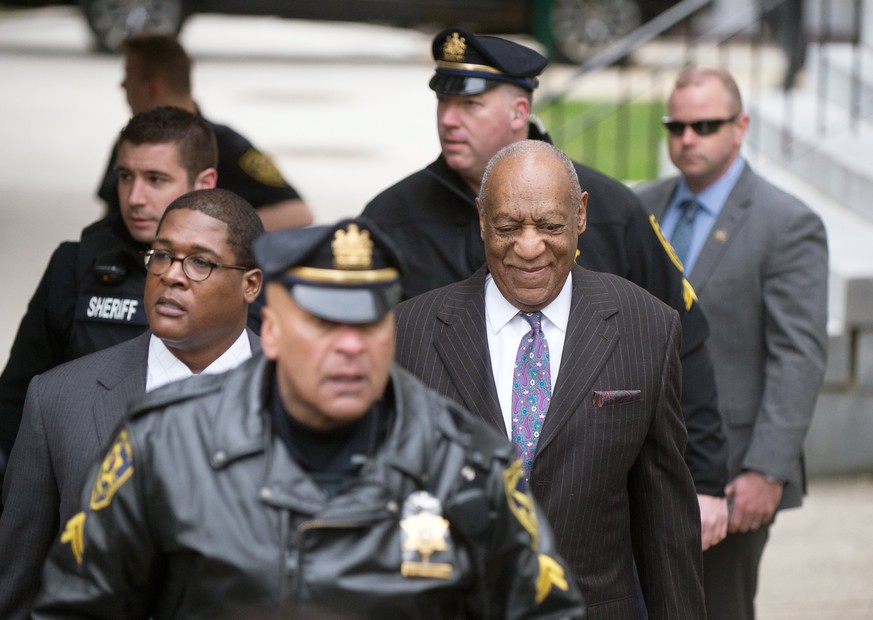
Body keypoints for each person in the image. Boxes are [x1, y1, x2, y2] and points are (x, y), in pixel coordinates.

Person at [32, 218, 585, 619]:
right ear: (271, 332)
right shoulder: (164, 444)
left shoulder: (465, 462)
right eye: (323, 325)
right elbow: (78, 605)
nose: (349, 348)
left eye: (368, 326)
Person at [363, 27, 728, 549]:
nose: (447, 118)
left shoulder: (610, 210)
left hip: (596, 527)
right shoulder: (391, 218)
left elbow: (682, 340)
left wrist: (708, 481)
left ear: (518, 111)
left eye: (469, 103)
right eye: (443, 100)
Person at [394, 140, 705, 618]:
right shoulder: (409, 335)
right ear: (481, 218)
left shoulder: (646, 327)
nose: (529, 246)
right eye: (508, 226)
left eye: (550, 226)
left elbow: (666, 529)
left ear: (580, 216)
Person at [0, 188, 264, 620]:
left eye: (200, 262)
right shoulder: (58, 399)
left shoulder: (299, 400)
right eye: (161, 255)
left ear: (250, 284)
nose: (172, 275)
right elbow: (16, 589)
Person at [636, 66, 828, 620]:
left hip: (734, 474)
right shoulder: (640, 208)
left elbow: (799, 354)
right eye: (676, 125)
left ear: (741, 126)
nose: (687, 138)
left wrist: (767, 469)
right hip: (644, 459)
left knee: (716, 607)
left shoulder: (786, 224)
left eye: (705, 125)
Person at [0, 106, 220, 478]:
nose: (134, 197)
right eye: (125, 176)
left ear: (204, 183)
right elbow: (17, 398)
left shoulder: (239, 274)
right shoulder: (76, 263)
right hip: (84, 491)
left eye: (155, 179)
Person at [98, 33, 313, 231]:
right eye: (127, 177)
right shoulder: (128, 143)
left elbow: (297, 213)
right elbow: (109, 217)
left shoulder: (225, 146)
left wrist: (209, 233)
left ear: (153, 88)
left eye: (128, 77)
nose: (122, 85)